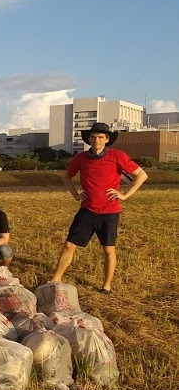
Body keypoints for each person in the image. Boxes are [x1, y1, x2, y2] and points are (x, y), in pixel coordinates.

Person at [50, 122, 147, 294]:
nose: (97, 140)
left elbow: (141, 175)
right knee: (69, 245)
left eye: (101, 137)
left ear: (107, 139)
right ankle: (55, 279)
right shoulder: (80, 158)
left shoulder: (118, 156)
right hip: (87, 210)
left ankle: (106, 286)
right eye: (93, 137)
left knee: (108, 250)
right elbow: (66, 176)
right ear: (89, 139)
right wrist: (75, 194)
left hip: (109, 211)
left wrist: (124, 194)